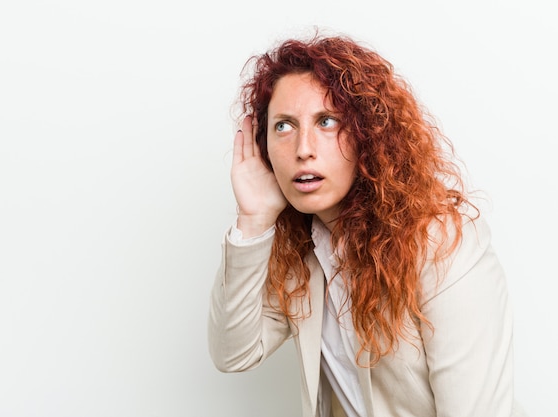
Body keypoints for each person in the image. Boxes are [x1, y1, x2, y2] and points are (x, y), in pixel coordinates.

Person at [207, 30, 526, 417]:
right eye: (284, 126)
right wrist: (254, 220)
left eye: (326, 121)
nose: (303, 148)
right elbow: (233, 352)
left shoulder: (444, 246)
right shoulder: (300, 251)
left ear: (366, 135)